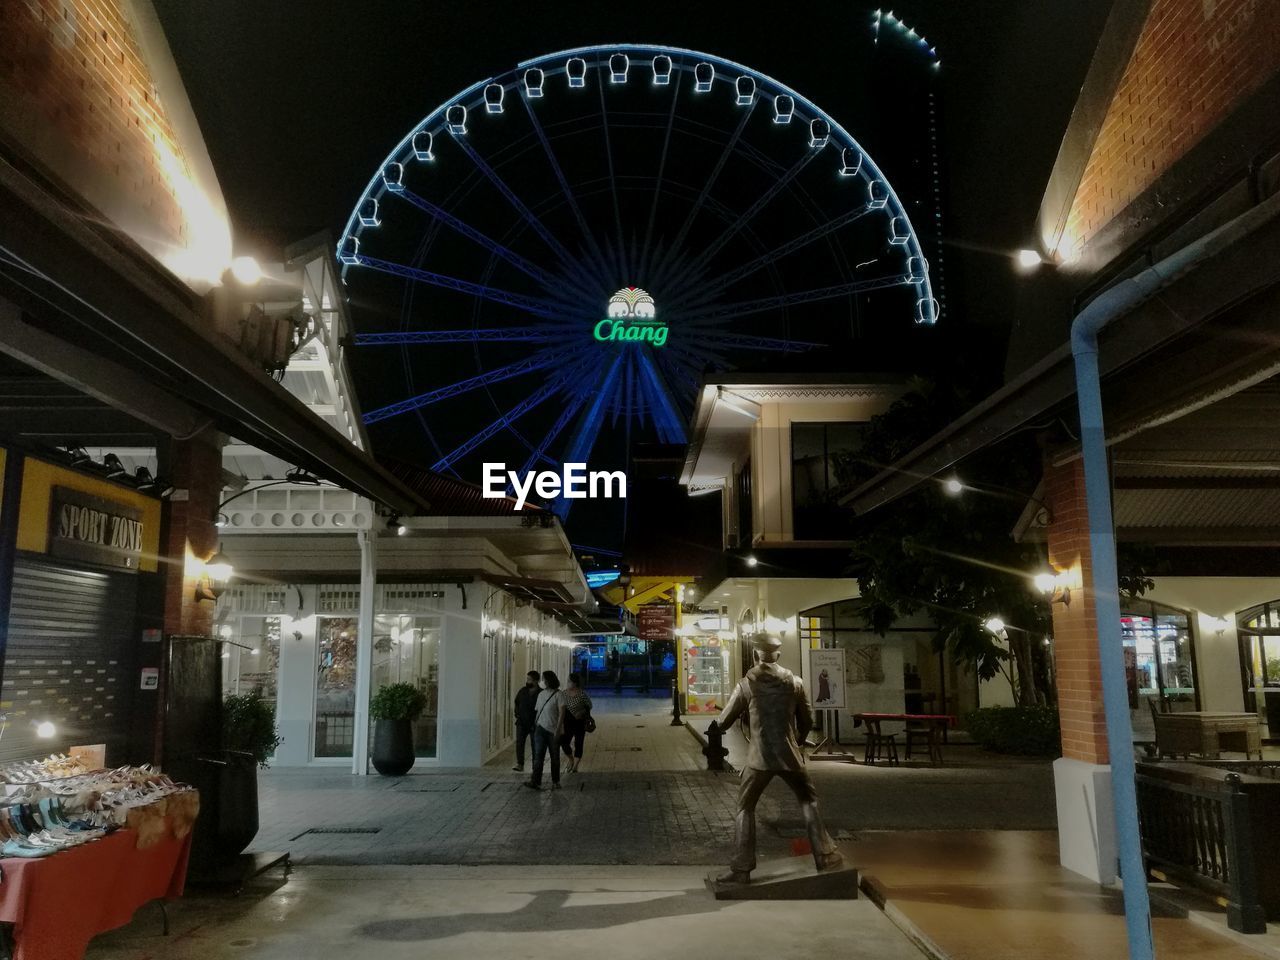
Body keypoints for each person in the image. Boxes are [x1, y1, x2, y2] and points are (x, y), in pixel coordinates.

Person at [713, 632, 842, 884]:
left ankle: (741, 868)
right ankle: (824, 856)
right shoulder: (795, 682)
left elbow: (722, 723)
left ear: (754, 654)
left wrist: (724, 719)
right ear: (778, 655)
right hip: (790, 756)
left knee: (745, 808)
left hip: (758, 758)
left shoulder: (745, 685)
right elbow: (808, 721)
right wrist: (797, 742)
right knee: (808, 801)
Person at [525, 670, 565, 790]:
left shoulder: (559, 694)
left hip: (553, 730)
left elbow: (562, 712)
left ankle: (556, 781)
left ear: (550, 680)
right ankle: (536, 781)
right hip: (540, 729)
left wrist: (558, 730)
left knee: (555, 757)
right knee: (538, 756)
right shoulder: (541, 694)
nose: (543, 681)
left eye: (544, 679)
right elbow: (538, 711)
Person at [559, 672, 593, 773]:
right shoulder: (564, 693)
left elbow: (589, 705)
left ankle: (575, 766)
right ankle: (571, 759)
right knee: (564, 742)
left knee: (579, 743)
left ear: (575, 683)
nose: (568, 683)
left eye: (569, 681)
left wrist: (582, 712)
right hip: (567, 722)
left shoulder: (582, 694)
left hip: (579, 722)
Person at [512, 670, 540, 772]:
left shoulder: (540, 693)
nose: (527, 681)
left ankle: (535, 765)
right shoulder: (523, 691)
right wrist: (517, 714)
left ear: (536, 681)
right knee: (519, 743)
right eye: (527, 679)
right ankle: (520, 764)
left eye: (529, 679)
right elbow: (516, 702)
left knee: (535, 745)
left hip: (534, 724)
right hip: (521, 723)